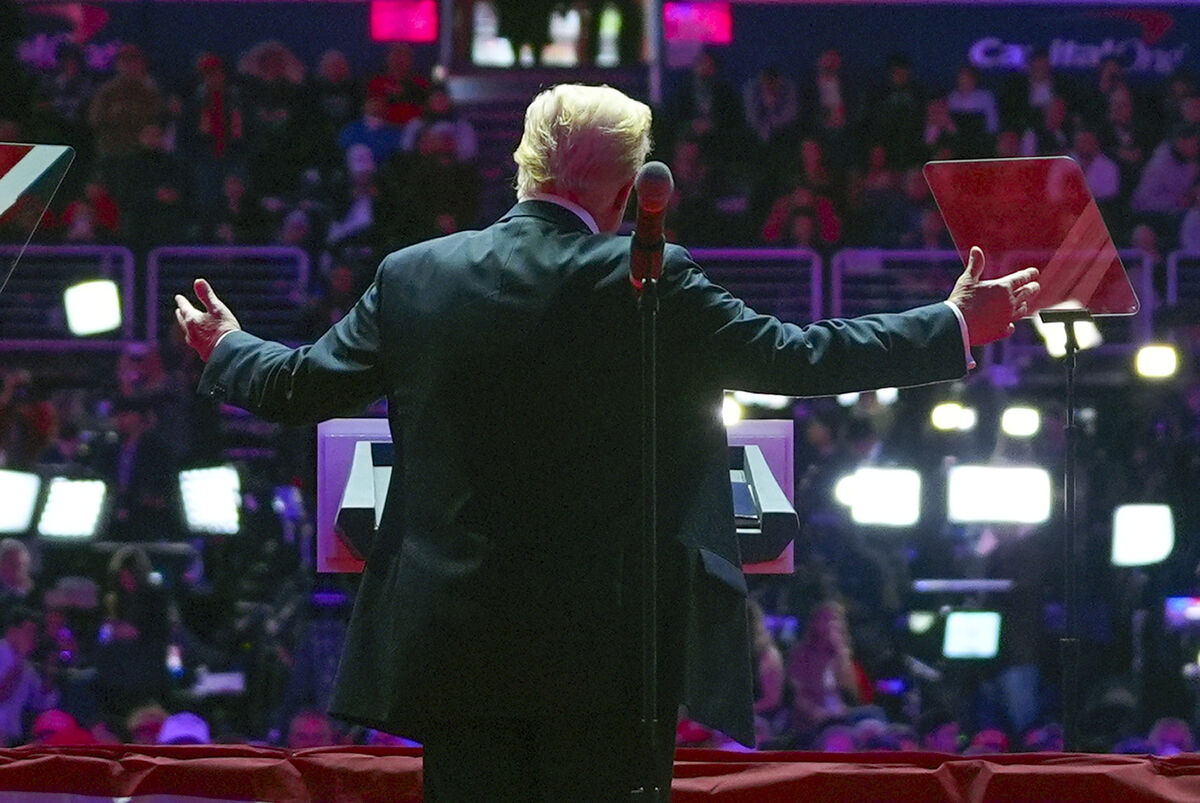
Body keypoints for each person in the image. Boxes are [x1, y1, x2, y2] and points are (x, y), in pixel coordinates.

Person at [174, 84, 1038, 799]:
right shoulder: (647, 280)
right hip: (609, 649)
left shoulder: (415, 276)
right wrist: (954, 324)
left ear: (522, 165)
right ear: (631, 190)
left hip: (454, 642)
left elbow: (295, 387)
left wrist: (226, 345)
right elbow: (797, 356)